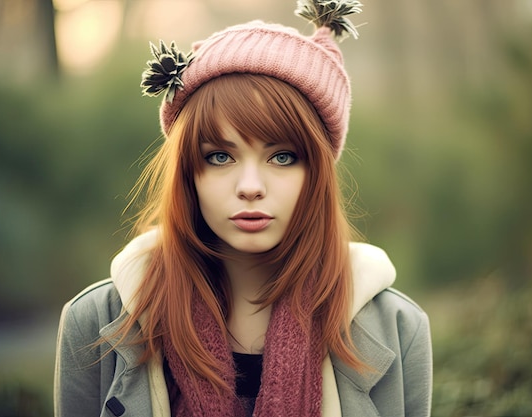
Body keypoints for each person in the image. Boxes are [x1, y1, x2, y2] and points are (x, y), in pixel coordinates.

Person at [53, 1, 432, 416]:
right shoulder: (95, 323)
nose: (250, 187)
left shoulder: (397, 328)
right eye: (219, 157)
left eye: (283, 157)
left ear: (317, 174)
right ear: (188, 173)